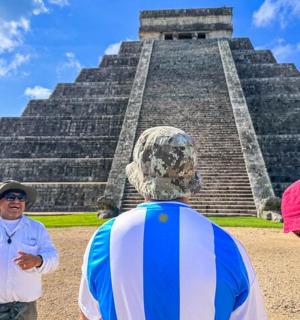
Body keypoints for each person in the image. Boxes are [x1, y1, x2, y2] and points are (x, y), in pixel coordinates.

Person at [78, 126, 267, 320]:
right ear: (191, 176)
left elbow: (89, 314)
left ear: (139, 175)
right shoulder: (227, 246)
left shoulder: (103, 240)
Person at [0, 180, 59, 319]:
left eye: (21, 198)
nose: (16, 201)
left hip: (26, 307)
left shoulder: (37, 228)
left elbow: (54, 258)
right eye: (10, 197)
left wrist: (38, 260)